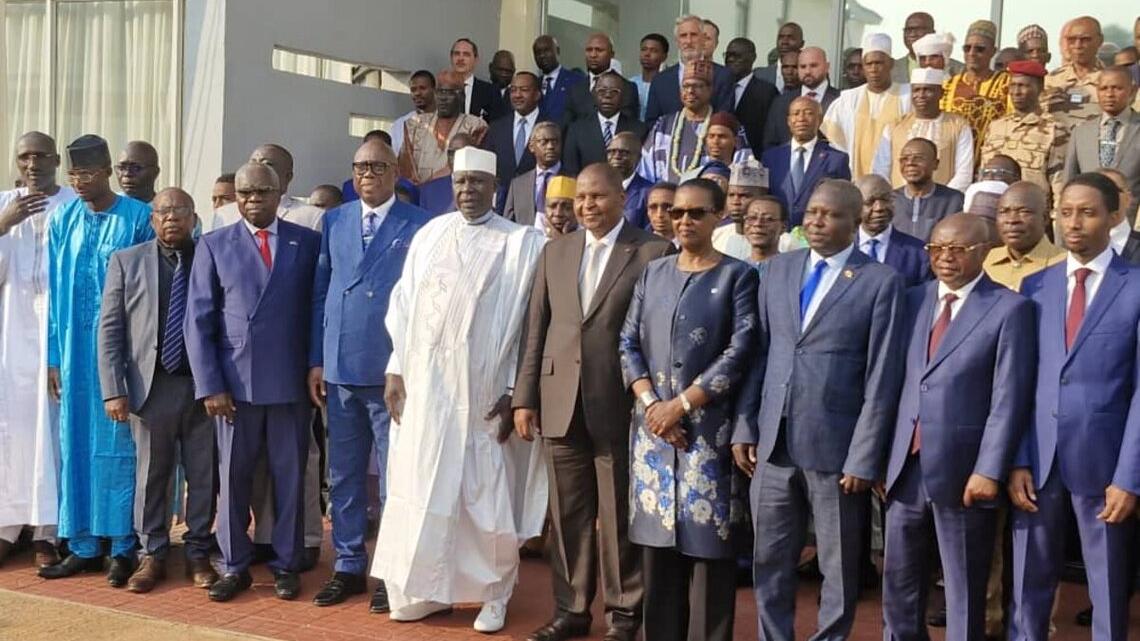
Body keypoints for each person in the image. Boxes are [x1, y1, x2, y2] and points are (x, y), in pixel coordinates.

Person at [371, 147, 546, 633]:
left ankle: (494, 594)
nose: (468, 190)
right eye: (460, 182)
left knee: (483, 495)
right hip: (427, 390)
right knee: (421, 487)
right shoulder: (430, 234)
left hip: (483, 391)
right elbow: (403, 305)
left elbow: (531, 324)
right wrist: (395, 368)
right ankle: (428, 590)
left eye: (477, 182)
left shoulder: (521, 243)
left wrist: (514, 388)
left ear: (495, 187)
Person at [733, 179, 905, 641]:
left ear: (855, 221)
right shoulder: (777, 270)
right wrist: (745, 425)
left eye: (829, 214)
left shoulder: (880, 281)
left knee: (838, 564)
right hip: (773, 442)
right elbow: (759, 355)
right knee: (769, 558)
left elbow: (882, 375)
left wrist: (864, 455)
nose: (816, 221)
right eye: (811, 212)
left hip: (837, 449)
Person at [514, 163, 671, 641]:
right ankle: (571, 610)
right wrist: (524, 397)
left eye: (597, 196)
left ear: (622, 198)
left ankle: (624, 616)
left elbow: (656, 335)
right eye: (580, 198)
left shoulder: (652, 252)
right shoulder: (556, 251)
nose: (587, 206)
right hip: (559, 401)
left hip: (621, 405)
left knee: (620, 516)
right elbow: (536, 329)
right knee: (567, 516)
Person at [882, 213, 1034, 641]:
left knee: (963, 587)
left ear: (984, 252)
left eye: (957, 249)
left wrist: (989, 469)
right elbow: (893, 383)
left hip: (965, 470)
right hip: (905, 466)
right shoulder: (912, 300)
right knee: (899, 582)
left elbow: (1009, 398)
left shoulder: (1010, 308)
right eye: (936, 249)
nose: (944, 258)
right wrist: (882, 457)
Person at [617, 177, 756, 641]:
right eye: (677, 213)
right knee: (657, 558)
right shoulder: (653, 272)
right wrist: (653, 406)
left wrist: (680, 406)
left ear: (719, 216)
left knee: (708, 555)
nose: (684, 221)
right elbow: (627, 342)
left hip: (706, 436)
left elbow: (739, 351)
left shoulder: (737, 276)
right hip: (653, 435)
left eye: (696, 213)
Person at [1010, 172, 1140, 641]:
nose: (1074, 223)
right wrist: (1019, 458)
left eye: (1087, 213)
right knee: (1028, 583)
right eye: (1065, 213)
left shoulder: (1135, 286)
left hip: (1105, 464)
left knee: (1107, 585)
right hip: (1039, 461)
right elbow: (1019, 382)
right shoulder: (1034, 287)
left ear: (1115, 216)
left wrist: (1129, 477)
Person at [185, 162, 321, 602]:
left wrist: (315, 366)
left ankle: (287, 563)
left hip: (289, 383)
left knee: (289, 479)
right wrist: (210, 385)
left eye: (262, 192)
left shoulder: (306, 242)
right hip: (234, 387)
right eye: (244, 193)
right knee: (233, 480)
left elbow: (317, 311)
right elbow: (198, 321)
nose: (252, 201)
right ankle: (234, 564)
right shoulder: (214, 244)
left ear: (280, 194)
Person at [309, 139, 430, 612]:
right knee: (343, 475)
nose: (367, 175)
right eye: (360, 167)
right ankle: (347, 564)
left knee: (394, 477)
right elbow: (321, 293)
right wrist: (317, 359)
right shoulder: (335, 220)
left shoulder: (418, 224)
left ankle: (391, 570)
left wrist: (407, 363)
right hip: (340, 368)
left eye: (377, 167)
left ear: (395, 171)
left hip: (389, 371)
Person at [39, 134, 154, 585]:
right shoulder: (62, 219)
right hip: (73, 354)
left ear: (107, 171)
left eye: (88, 173)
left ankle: (122, 546)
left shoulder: (138, 218)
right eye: (73, 174)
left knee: (119, 447)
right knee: (75, 443)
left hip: (122, 354)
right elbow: (54, 292)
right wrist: (54, 356)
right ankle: (83, 545)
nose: (80, 182)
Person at [97, 187, 218, 593]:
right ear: (152, 219)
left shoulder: (211, 257)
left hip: (203, 387)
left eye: (180, 211)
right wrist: (113, 389)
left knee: (203, 474)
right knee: (153, 475)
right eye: (163, 212)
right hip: (151, 387)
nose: (171, 218)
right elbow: (110, 329)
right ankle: (153, 554)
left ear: (193, 218)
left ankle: (198, 552)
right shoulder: (126, 261)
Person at [0, 132, 75, 570]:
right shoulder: (3, 204)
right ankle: (8, 526)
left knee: (53, 433)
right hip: (11, 336)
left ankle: (48, 531)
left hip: (58, 336)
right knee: (12, 430)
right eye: (24, 157)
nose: (32, 164)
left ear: (56, 160)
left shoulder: (73, 205)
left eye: (41, 156)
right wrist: (4, 223)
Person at [639, 60, 748, 184]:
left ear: (710, 90)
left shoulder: (727, 126)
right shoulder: (663, 125)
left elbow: (743, 171)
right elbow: (644, 170)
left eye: (697, 86)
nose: (690, 91)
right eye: (685, 86)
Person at [821, 33, 912, 178]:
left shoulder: (907, 96)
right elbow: (834, 142)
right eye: (869, 64)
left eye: (879, 63)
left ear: (891, 64)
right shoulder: (848, 100)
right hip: (855, 179)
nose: (874, 69)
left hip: (897, 180)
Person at [980, 60, 1067, 207]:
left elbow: (1059, 181)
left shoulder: (1054, 129)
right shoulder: (996, 126)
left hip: (1031, 210)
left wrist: (1057, 217)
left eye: (1023, 86)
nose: (1016, 92)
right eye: (1013, 85)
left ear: (1039, 88)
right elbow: (983, 172)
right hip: (992, 208)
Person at [874, 68, 974, 192]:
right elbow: (881, 169)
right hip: (899, 199)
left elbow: (964, 172)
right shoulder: (894, 126)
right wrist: (894, 197)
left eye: (928, 90)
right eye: (916, 90)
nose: (921, 95)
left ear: (941, 93)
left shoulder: (959, 125)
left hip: (944, 199)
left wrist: (947, 199)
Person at [761, 96, 852, 228]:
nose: (801, 119)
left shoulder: (836, 159)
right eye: (796, 113)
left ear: (819, 120)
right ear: (788, 121)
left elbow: (842, 202)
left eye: (808, 113)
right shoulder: (770, 158)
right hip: (778, 232)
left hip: (817, 230)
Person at [1062, 66, 1140, 202]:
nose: (1109, 94)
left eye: (1117, 88)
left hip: (1130, 213)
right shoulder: (1081, 133)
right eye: (1103, 89)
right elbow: (1069, 182)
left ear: (1132, 91)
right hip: (1088, 212)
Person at [398, 69, 488, 185]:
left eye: (449, 92)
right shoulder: (414, 124)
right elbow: (405, 166)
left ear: (461, 95)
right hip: (417, 193)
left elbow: (468, 165)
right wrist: (419, 189)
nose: (443, 97)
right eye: (439, 92)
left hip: (456, 191)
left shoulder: (476, 126)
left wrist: (431, 185)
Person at [644, 15, 735, 123]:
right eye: (683, 36)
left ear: (703, 39)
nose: (688, 41)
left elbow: (725, 119)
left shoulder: (723, 76)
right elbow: (651, 122)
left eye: (694, 35)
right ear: (677, 41)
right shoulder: (660, 80)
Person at [212, 144, 325, 231]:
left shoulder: (312, 216)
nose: (258, 169)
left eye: (267, 164)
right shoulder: (224, 215)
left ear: (288, 176)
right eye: (253, 163)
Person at [940, 20, 1010, 160]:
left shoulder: (1006, 83)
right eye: (967, 48)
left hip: (992, 160)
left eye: (980, 49)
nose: (972, 53)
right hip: (953, 160)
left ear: (993, 51)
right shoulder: (948, 86)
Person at [563, 72, 648, 176]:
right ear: (594, 95)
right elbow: (570, 171)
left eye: (614, 92)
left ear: (624, 97)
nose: (608, 96)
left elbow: (642, 170)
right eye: (602, 91)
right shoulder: (576, 130)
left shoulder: (639, 130)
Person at [984, 181, 1065, 289]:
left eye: (1024, 212)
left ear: (1045, 218)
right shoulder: (984, 261)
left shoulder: (1066, 265)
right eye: (1004, 212)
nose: (1012, 220)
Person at [854, 173, 931, 286]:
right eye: (870, 202)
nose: (879, 207)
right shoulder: (840, 248)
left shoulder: (919, 253)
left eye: (886, 199)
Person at [763, 47, 841, 149]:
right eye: (803, 67)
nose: (807, 71)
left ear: (827, 67)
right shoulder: (781, 102)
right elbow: (770, 144)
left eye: (813, 66)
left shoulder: (841, 100)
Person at [889, 138, 966, 241]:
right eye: (904, 159)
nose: (910, 163)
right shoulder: (890, 200)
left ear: (935, 164)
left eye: (918, 158)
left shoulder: (954, 200)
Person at [483, 71, 548, 192]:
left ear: (537, 95)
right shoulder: (496, 128)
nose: (517, 95)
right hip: (502, 197)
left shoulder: (551, 126)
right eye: (513, 90)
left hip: (537, 195)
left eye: (524, 90)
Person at [1044, 17, 1105, 130]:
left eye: (1085, 40)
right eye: (1072, 40)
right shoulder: (1050, 80)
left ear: (1100, 41)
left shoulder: (1112, 81)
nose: (1078, 45)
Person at [564, 34, 640, 125]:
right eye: (589, 50)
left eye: (599, 50)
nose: (593, 55)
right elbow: (567, 123)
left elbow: (627, 123)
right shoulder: (575, 88)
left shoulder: (627, 88)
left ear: (612, 54)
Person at [504, 122, 564, 229]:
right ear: (531, 147)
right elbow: (507, 224)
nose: (550, 146)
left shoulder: (574, 180)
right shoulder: (518, 185)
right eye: (544, 142)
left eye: (555, 141)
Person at [725, 37, 779, 151]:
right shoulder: (719, 87)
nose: (730, 59)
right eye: (728, 55)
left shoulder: (767, 92)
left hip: (753, 154)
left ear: (752, 58)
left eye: (737, 56)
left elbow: (770, 130)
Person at [713, 160, 768, 260]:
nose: (735, 202)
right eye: (731, 195)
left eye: (744, 196)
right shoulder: (716, 236)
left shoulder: (784, 242)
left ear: (762, 197)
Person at [892, 12, 964, 85]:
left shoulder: (960, 70)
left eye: (919, 29)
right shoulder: (890, 69)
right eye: (908, 30)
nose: (912, 34)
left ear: (932, 33)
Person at [418, 133, 475, 217]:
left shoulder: (486, 190)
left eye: (460, 153)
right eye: (451, 153)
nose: (454, 157)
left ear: (473, 155)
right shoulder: (428, 191)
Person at [450, 38, 503, 122]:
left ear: (476, 60)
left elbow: (496, 124)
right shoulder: (440, 89)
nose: (460, 58)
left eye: (466, 54)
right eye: (457, 54)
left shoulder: (491, 92)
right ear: (451, 57)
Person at [608, 132, 653, 229]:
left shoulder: (649, 192)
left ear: (638, 158)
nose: (617, 156)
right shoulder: (598, 188)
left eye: (624, 152)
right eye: (612, 151)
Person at [535, 35, 585, 123]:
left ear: (557, 51)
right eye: (538, 52)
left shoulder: (576, 80)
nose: (542, 55)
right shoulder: (534, 84)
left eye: (546, 50)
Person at [391, 70, 436, 156]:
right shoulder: (400, 125)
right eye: (413, 90)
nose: (417, 93)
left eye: (422, 88)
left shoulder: (445, 120)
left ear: (434, 90)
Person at [755, 22, 804, 92]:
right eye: (781, 37)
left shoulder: (809, 75)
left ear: (802, 44)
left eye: (791, 38)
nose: (784, 42)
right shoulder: (759, 75)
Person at [744, 196, 786, 273]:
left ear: (783, 227)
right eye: (752, 218)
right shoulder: (735, 270)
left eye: (768, 219)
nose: (758, 224)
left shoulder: (791, 269)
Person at [633, 34, 669, 121]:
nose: (647, 54)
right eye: (644, 49)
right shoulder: (631, 83)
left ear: (664, 56)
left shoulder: (668, 85)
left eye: (654, 51)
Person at [489, 49, 517, 114]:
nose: (503, 74)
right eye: (500, 70)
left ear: (513, 72)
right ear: (490, 68)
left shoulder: (518, 96)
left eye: (508, 71)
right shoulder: (480, 92)